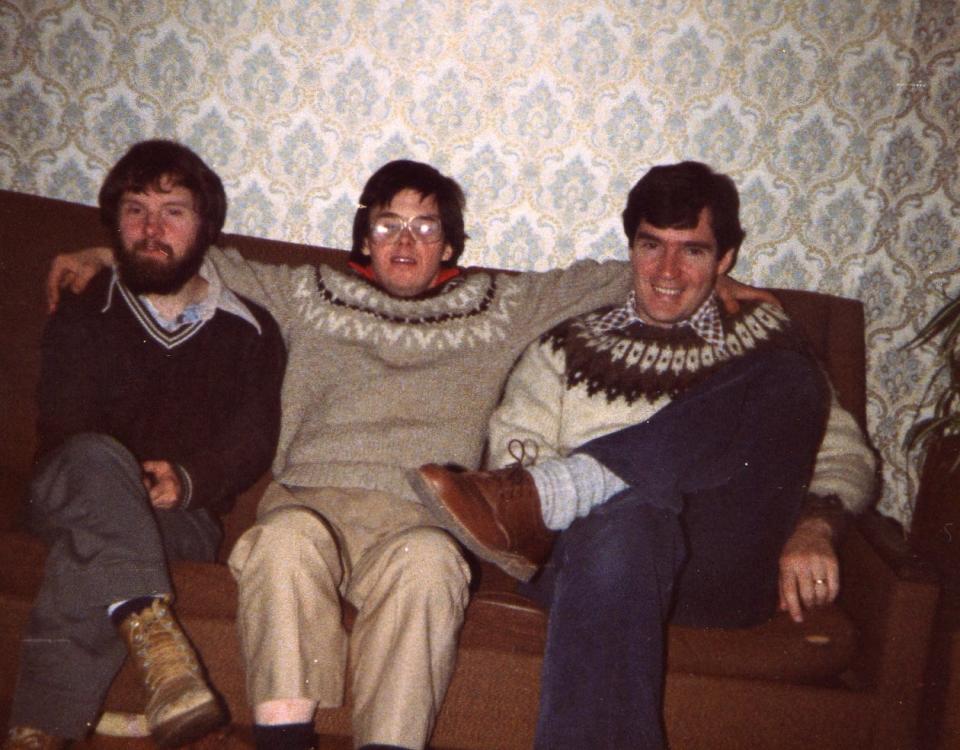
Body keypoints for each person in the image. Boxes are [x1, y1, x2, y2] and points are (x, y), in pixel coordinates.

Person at [45, 159, 810, 750]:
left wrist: (722, 284)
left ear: (450, 242)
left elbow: (630, 271)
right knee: (279, 543)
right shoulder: (306, 292)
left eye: (424, 226)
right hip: (313, 501)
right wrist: (103, 249)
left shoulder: (502, 307)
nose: (405, 242)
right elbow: (189, 254)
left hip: (420, 516)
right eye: (386, 225)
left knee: (430, 564)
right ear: (362, 235)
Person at [410, 161, 876, 749]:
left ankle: (575, 481)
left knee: (789, 375)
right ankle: (583, 491)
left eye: (693, 252)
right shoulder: (565, 349)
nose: (667, 272)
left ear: (726, 259)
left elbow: (845, 457)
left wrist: (816, 526)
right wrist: (616, 500)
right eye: (651, 246)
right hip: (593, 561)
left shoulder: (763, 341)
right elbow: (513, 461)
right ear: (630, 248)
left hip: (716, 566)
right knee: (631, 519)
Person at [3, 140, 286, 750]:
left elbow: (253, 440)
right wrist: (125, 478)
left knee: (101, 550)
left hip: (178, 516)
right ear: (114, 223)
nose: (151, 228)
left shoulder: (251, 330)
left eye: (173, 211)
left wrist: (187, 480)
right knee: (91, 459)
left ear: (206, 227)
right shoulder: (85, 305)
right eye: (135, 210)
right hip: (68, 493)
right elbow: (64, 424)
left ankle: (38, 730)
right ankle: (159, 648)